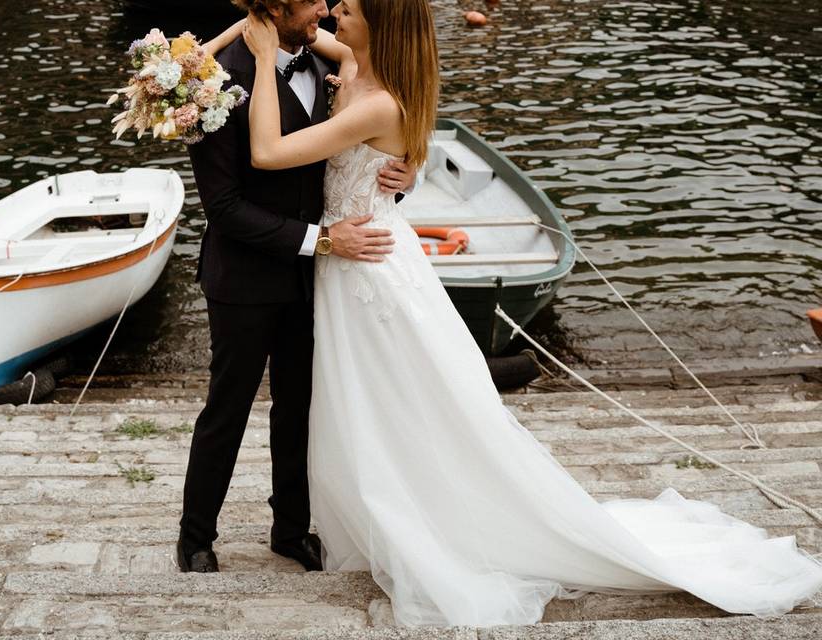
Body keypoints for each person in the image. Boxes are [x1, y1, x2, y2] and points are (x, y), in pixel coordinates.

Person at [233, 0, 822, 627]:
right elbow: (319, 39)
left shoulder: (380, 102)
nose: (333, 13)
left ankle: (421, 517)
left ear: (380, 25)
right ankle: (369, 516)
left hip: (369, 268)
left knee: (393, 398)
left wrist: (266, 59)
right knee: (361, 399)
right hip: (353, 261)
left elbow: (268, 152)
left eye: (347, 8)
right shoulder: (353, 61)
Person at [176, 0, 417, 574]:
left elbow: (354, 163)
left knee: (302, 406)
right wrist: (322, 240)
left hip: (321, 278)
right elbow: (225, 208)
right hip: (245, 275)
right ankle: (195, 535)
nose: (325, 11)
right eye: (310, 3)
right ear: (275, 6)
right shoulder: (215, 81)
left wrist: (407, 175)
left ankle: (290, 527)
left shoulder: (331, 65)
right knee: (227, 407)